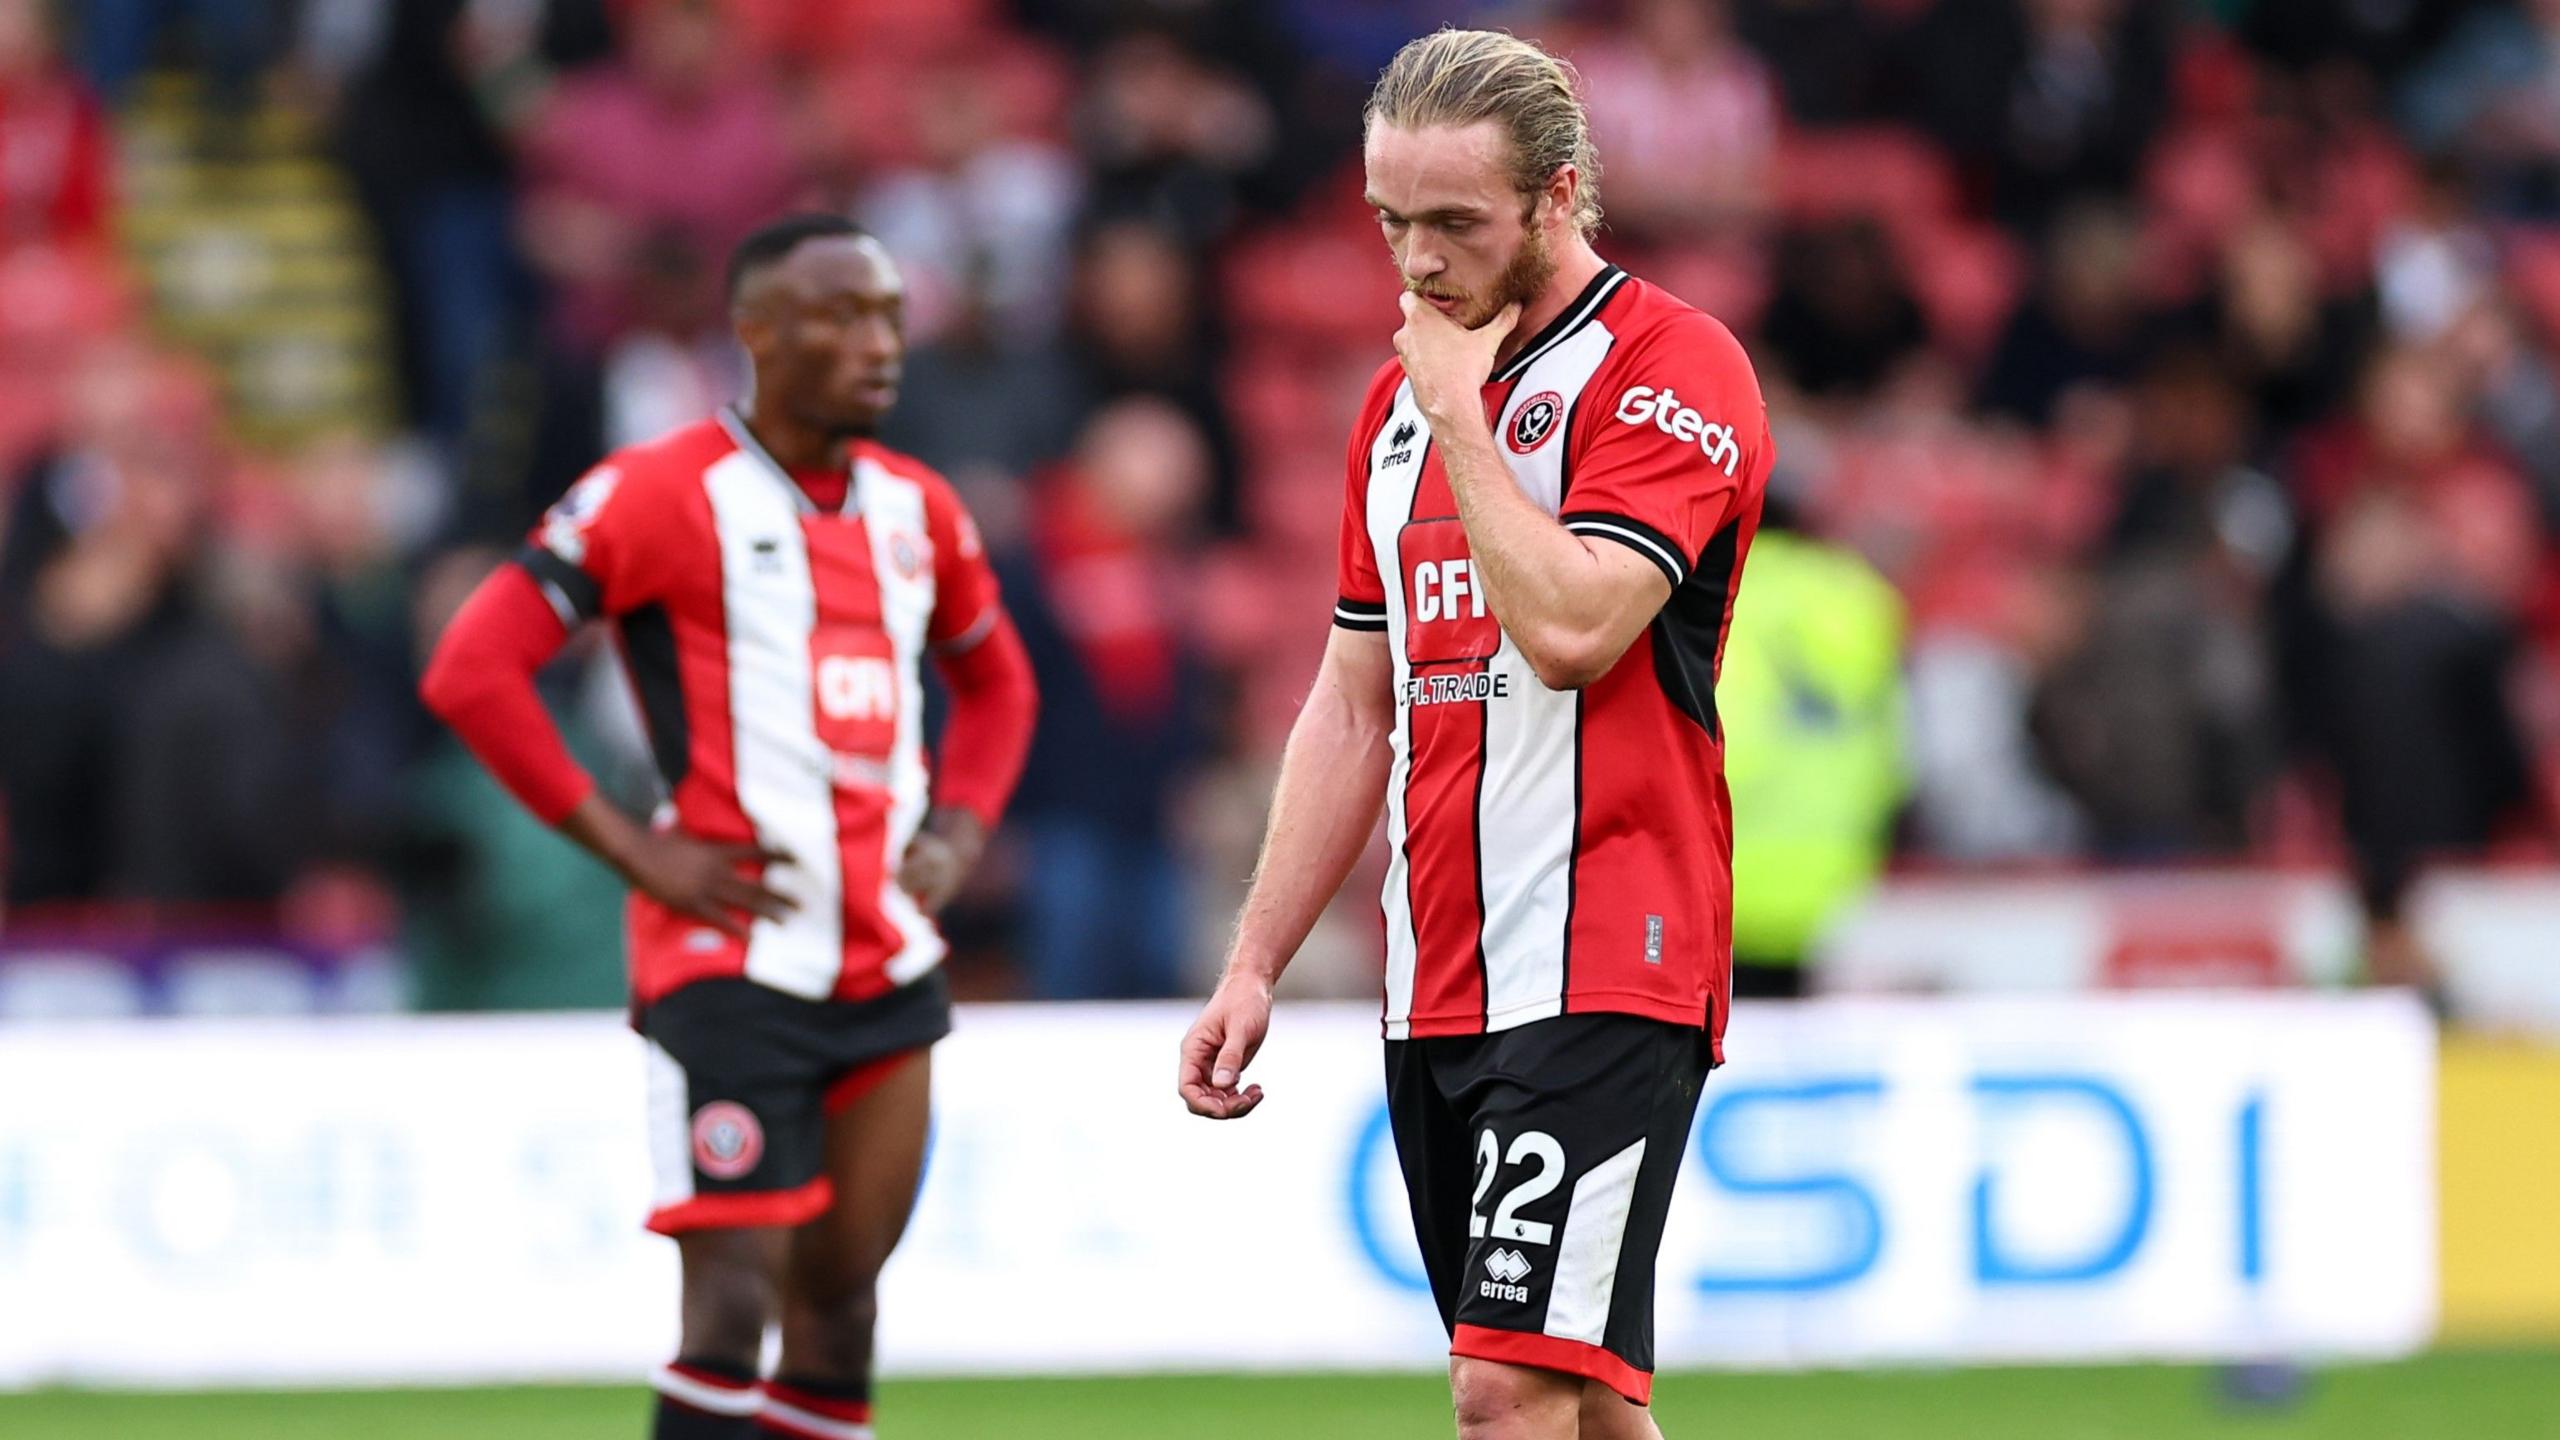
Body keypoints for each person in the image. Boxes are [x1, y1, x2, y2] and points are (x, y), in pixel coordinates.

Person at [1176, 30, 1773, 1440]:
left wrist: (1461, 418)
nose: (1418, 263)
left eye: (1456, 224)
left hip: (1610, 952)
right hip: (1439, 972)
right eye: (1393, 224)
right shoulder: (1391, 408)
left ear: (1558, 198)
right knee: (1579, 1402)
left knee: (1501, 1392)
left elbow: (1573, 633)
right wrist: (1256, 959)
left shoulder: (1670, 369)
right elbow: (1352, 702)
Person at [419, 214, 1037, 1440]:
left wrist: (958, 833)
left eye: (890, 318)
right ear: (755, 331)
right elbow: (474, 668)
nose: (878, 345)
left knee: (840, 1309)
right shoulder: (659, 491)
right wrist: (630, 845)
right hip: (729, 961)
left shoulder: (919, 510)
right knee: (728, 1308)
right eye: (841, 316)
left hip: (885, 956)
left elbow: (1000, 684)